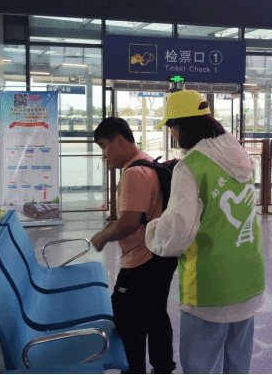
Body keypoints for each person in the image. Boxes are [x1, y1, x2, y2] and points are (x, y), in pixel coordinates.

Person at [145, 90, 266, 374]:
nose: (172, 134)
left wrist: (151, 230)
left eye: (171, 127)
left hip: (210, 286)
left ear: (181, 125)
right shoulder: (239, 156)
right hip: (249, 277)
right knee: (238, 363)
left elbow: (177, 234)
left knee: (201, 366)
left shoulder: (190, 167)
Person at [90, 117, 177, 375]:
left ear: (119, 141)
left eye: (104, 146)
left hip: (142, 259)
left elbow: (129, 223)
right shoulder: (146, 161)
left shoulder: (134, 174)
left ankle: (133, 370)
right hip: (160, 255)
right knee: (156, 314)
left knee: (128, 320)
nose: (104, 155)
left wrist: (103, 237)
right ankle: (163, 368)